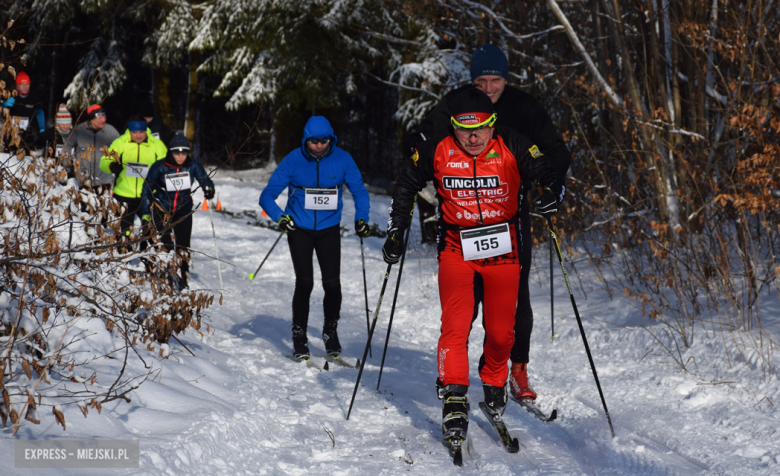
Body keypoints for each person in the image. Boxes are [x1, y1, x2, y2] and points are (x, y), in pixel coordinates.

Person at [383, 88, 563, 451]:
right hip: (456, 249)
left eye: (481, 128)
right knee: (456, 322)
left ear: (492, 123)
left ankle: (495, 379)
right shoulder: (438, 148)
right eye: (464, 130)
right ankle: (453, 395)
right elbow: (405, 184)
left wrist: (551, 193)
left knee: (501, 331)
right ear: (452, 127)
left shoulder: (512, 143)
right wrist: (397, 229)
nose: (473, 137)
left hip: (503, 251)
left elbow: (547, 171)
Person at [408, 44, 572, 402]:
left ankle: (517, 369)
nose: (488, 88)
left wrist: (550, 187)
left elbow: (557, 151)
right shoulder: (454, 103)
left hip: (509, 214)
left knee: (515, 298)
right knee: (464, 302)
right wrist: (417, 146)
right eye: (480, 81)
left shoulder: (523, 106)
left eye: (495, 79)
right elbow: (425, 142)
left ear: (506, 78)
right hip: (462, 216)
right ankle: (454, 373)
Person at [259, 116, 370, 361]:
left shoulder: (343, 159)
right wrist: (280, 216)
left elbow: (360, 192)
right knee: (305, 283)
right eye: (313, 141)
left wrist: (361, 218)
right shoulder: (293, 160)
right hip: (299, 228)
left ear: (331, 139)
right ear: (305, 140)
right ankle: (299, 336)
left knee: (332, 285)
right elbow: (267, 195)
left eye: (324, 141)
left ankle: (330, 331)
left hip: (329, 229)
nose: (319, 146)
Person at [141, 132, 214, 290]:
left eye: (184, 152)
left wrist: (209, 189)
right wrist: (146, 212)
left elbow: (205, 180)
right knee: (165, 244)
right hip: (162, 210)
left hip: (183, 211)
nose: (180, 156)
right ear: (170, 152)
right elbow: (147, 189)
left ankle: (182, 277)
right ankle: (165, 275)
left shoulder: (193, 165)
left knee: (183, 246)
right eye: (176, 152)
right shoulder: (160, 166)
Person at [100, 115, 168, 244]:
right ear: (130, 131)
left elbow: (166, 164)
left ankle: (147, 259)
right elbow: (104, 160)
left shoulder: (156, 144)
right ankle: (123, 257)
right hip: (124, 194)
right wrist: (112, 165)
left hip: (149, 195)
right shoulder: (120, 142)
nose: (138, 136)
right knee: (124, 233)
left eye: (141, 132)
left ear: (146, 130)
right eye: (134, 132)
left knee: (149, 232)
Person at [70, 104, 120, 191]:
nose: (103, 120)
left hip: (105, 182)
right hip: (83, 182)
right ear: (91, 119)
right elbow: (66, 148)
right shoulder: (78, 131)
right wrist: (69, 169)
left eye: (104, 116)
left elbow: (121, 150)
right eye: (100, 118)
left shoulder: (111, 132)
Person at [2, 72, 46, 152]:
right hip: (12, 134)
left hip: (28, 134)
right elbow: (3, 113)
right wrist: (5, 106)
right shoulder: (13, 97)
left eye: (27, 85)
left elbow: (40, 113)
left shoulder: (34, 99)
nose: (25, 87)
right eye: (22, 85)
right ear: (18, 86)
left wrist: (42, 129)